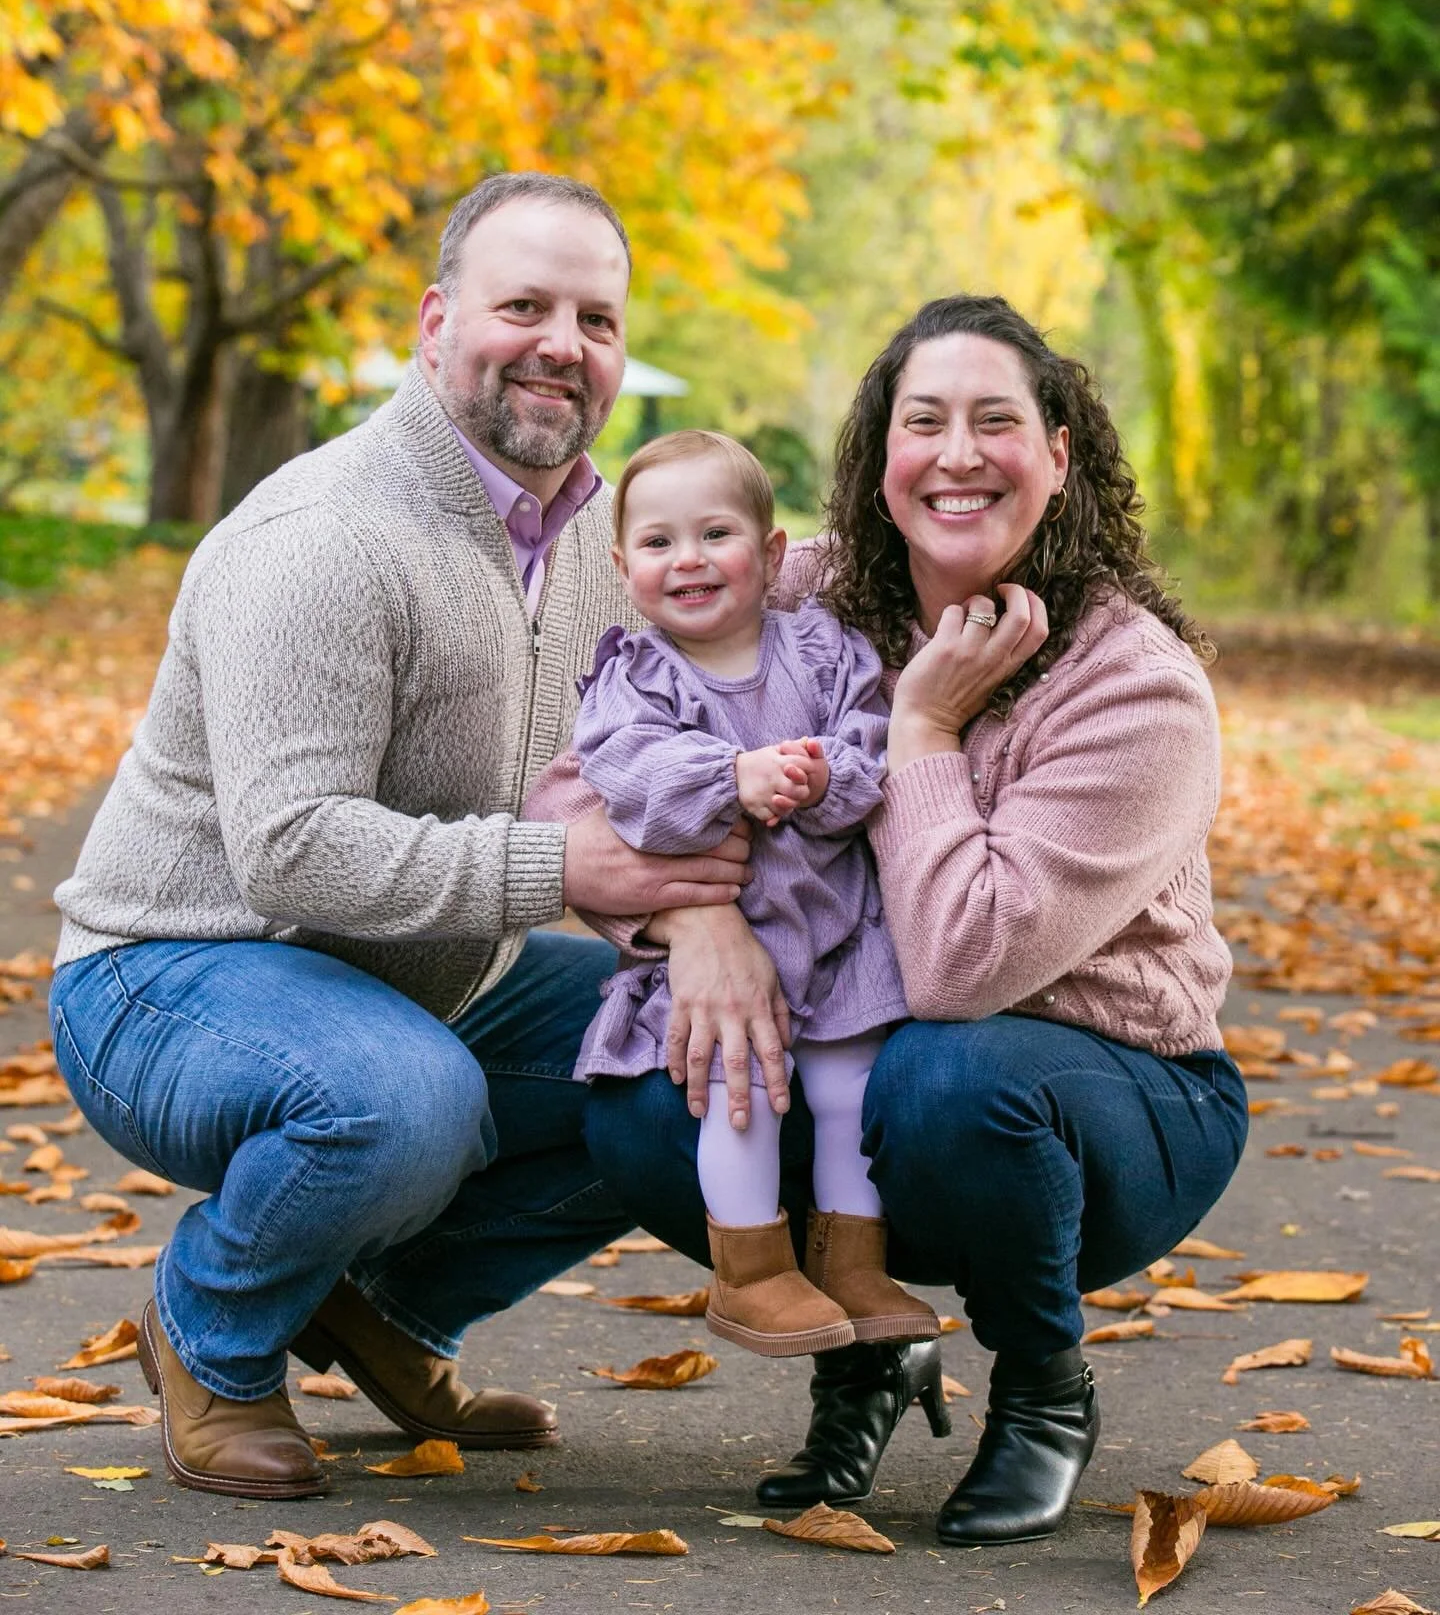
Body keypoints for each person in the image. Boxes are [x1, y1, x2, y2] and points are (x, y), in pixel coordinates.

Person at [47, 172, 754, 1501]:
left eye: (595, 319)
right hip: (170, 974)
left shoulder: (602, 538)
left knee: (692, 1047)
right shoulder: (324, 536)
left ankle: (387, 1311)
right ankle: (213, 1331)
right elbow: (292, 850)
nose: (563, 342)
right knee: (401, 1098)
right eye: (524, 305)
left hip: (415, 980)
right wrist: (567, 869)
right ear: (437, 324)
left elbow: (794, 586)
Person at [544, 294, 1247, 1546]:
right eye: (924, 421)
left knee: (943, 1071)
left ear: (1060, 454)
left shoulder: (1135, 688)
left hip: (1107, 1100)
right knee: (662, 1089)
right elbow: (578, 778)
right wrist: (693, 926)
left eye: (997, 421)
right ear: (879, 460)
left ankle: (1043, 1388)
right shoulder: (796, 588)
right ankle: (861, 1348)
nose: (959, 453)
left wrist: (920, 731)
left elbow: (963, 964)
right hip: (869, 1066)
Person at [568, 430, 939, 1361]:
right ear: (624, 567)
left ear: (772, 555)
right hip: (741, 951)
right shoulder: (637, 679)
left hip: (840, 929)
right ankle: (750, 1269)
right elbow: (628, 777)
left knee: (851, 1086)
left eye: (715, 534)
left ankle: (851, 1257)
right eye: (657, 543)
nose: (686, 559)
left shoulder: (820, 650)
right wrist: (729, 775)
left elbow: (875, 744)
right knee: (745, 1089)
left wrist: (823, 780)